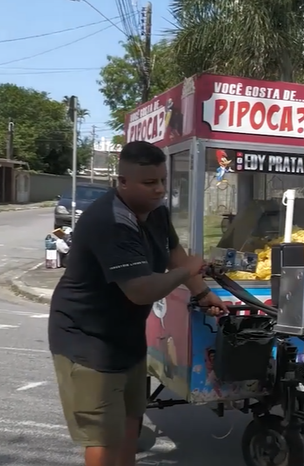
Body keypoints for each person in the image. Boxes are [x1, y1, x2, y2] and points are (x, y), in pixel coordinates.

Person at [47, 140, 229, 466]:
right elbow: (141, 290)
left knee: (130, 423)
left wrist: (202, 293)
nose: (159, 190)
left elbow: (174, 253)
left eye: (162, 180)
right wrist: (189, 269)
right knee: (104, 436)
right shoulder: (110, 221)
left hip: (127, 338)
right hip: (87, 342)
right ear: (123, 182)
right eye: (149, 183)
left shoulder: (156, 212)